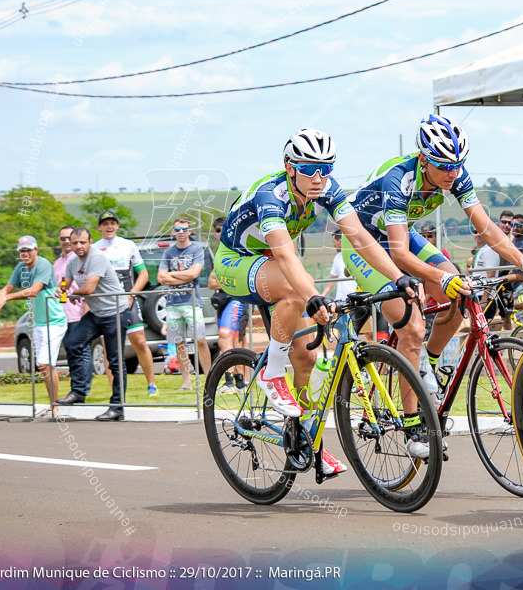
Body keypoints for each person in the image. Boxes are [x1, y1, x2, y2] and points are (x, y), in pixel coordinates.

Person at [214, 128, 421, 475]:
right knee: (298, 290)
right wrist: (311, 295)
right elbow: (284, 253)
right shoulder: (271, 195)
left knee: (307, 358)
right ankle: (270, 371)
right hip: (236, 261)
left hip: (272, 264)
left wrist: (395, 276)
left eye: (326, 168)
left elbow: (362, 239)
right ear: (289, 166)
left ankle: (308, 442)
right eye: (309, 168)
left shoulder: (328, 188)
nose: (319, 177)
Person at [344, 115, 523, 428]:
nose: (453, 172)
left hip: (402, 234)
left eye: (458, 164)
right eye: (444, 165)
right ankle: (413, 423)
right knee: (413, 327)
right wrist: (441, 278)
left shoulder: (455, 173)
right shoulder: (399, 178)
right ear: (423, 159)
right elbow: (398, 253)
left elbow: (484, 227)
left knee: (460, 295)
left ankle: (426, 364)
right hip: (365, 243)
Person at [55, 227, 130, 421]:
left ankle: (117, 407)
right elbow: (65, 283)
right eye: (75, 243)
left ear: (90, 242)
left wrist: (72, 294)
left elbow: (88, 288)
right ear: (70, 244)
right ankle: (78, 392)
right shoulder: (72, 261)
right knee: (72, 342)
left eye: (83, 242)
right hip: (96, 313)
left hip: (115, 312)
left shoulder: (97, 258)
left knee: (114, 361)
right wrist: (62, 293)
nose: (79, 246)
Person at [0, 235, 67, 415]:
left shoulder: (43, 264)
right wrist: (0, 295)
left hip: (54, 320)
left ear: (36, 250)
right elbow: (8, 287)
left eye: (28, 250)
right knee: (44, 366)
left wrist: (6, 298)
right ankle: (53, 405)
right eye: (22, 251)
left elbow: (33, 291)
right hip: (40, 322)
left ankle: (55, 406)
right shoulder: (20, 267)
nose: (25, 254)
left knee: (45, 363)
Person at [93, 211, 157, 396]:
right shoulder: (95, 248)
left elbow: (143, 274)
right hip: (106, 305)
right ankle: (117, 392)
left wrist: (131, 295)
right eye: (105, 224)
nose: (109, 226)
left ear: (117, 226)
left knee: (140, 342)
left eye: (113, 223)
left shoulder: (128, 245)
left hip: (128, 302)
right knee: (110, 349)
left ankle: (151, 384)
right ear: (99, 227)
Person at [157, 217, 212, 391]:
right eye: (178, 229)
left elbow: (194, 274)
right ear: (174, 231)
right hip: (173, 303)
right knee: (179, 343)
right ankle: (186, 382)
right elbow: (160, 277)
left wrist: (172, 276)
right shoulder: (168, 253)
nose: (181, 233)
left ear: (189, 231)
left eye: (184, 229)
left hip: (192, 303)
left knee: (201, 340)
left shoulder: (196, 249)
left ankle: (210, 379)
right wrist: (183, 276)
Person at [208, 216, 250, 395]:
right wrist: (227, 280)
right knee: (231, 342)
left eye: (223, 228)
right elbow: (211, 282)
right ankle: (239, 381)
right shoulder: (220, 252)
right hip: (223, 303)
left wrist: (224, 280)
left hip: (237, 300)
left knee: (227, 340)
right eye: (217, 230)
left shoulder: (238, 247)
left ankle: (232, 380)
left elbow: (241, 278)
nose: (220, 233)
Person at [52, 225, 85, 364]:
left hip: (78, 313)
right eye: (63, 238)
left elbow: (85, 285)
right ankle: (77, 384)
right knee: (70, 351)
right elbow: (61, 288)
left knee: (81, 351)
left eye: (69, 238)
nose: (66, 241)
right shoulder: (57, 263)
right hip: (62, 314)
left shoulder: (79, 259)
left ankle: (84, 384)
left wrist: (85, 311)